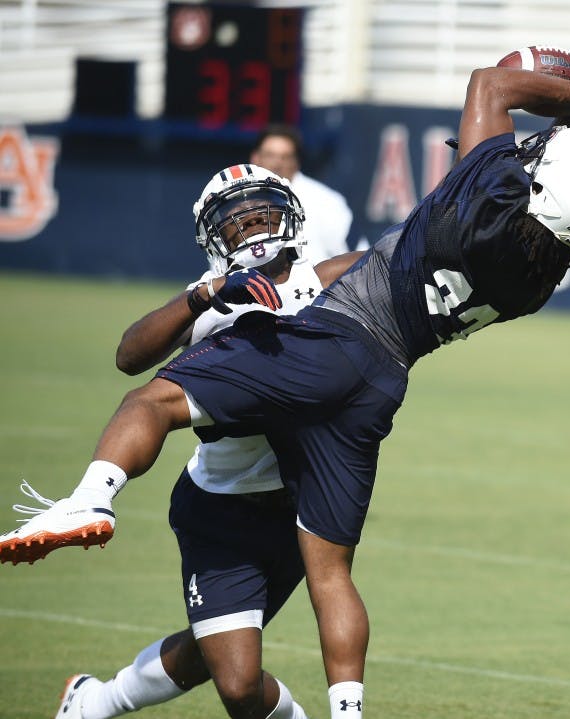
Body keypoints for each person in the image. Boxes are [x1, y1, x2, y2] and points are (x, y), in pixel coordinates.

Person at [0, 56, 570, 719]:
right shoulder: (540, 276)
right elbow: (133, 348)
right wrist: (208, 296)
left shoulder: (423, 228)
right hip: (368, 391)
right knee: (274, 631)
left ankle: (88, 499)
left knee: (156, 403)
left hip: (333, 361)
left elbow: (496, 83)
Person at [41, 164, 362, 719]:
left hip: (303, 508)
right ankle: (94, 699)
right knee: (236, 683)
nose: (254, 228)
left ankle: (90, 701)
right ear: (216, 239)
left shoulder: (336, 277)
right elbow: (129, 356)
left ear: (289, 213)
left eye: (261, 212)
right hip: (223, 510)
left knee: (214, 650)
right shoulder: (219, 301)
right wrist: (205, 295)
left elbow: (407, 262)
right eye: (236, 223)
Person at [250, 124, 353, 262]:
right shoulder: (239, 200)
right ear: (255, 158)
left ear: (296, 162)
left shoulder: (326, 201)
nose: (277, 163)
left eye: (285, 157)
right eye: (270, 155)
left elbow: (357, 259)